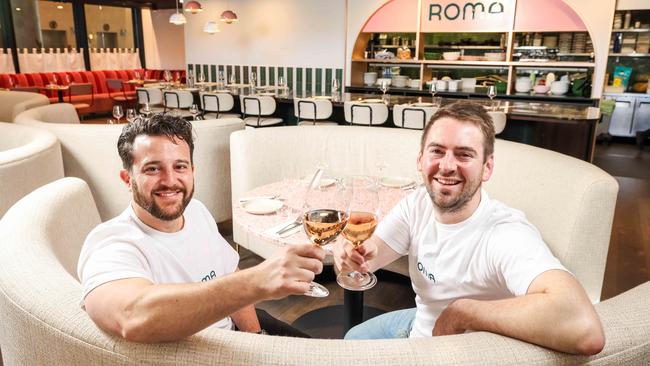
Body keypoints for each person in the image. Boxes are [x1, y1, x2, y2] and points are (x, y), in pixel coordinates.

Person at [333, 101, 605, 355]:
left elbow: (585, 329)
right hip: (420, 323)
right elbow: (367, 258)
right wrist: (349, 255)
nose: (447, 166)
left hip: (459, 351)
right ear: (420, 160)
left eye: (464, 155)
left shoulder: (505, 233)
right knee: (350, 341)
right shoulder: (417, 204)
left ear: (487, 168)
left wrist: (465, 312)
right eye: (437, 151)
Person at [78, 114, 325, 342]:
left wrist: (256, 336)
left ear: (192, 171)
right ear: (127, 179)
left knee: (323, 355)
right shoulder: (111, 243)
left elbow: (228, 273)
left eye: (180, 166)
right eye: (152, 168)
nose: (170, 180)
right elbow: (132, 317)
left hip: (238, 331)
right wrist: (257, 280)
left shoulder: (195, 210)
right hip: (201, 351)